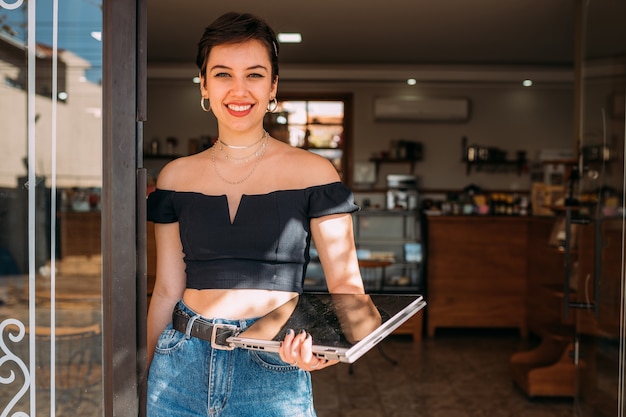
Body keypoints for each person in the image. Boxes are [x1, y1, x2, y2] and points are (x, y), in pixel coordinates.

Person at [146, 11, 366, 417]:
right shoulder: (174, 176)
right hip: (178, 365)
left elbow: (348, 289)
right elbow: (165, 290)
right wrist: (145, 379)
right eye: (223, 74)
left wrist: (324, 353)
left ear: (273, 87)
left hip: (272, 364)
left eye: (255, 74)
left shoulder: (315, 173)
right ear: (205, 85)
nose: (239, 89)